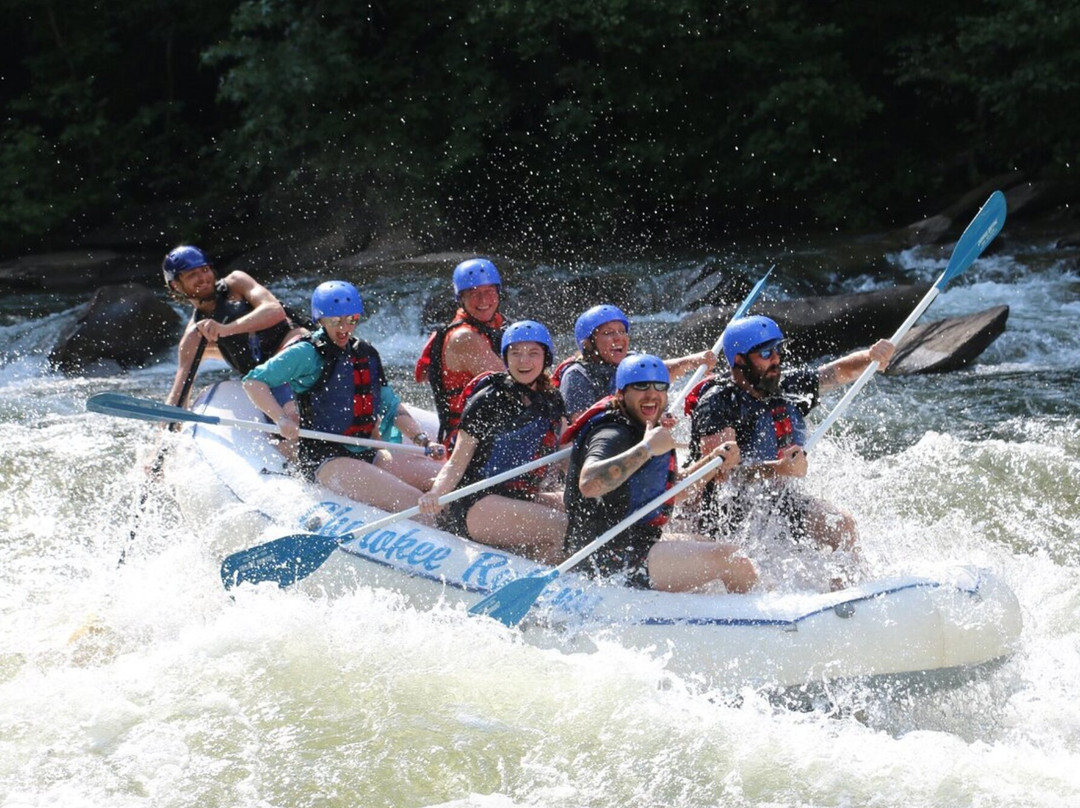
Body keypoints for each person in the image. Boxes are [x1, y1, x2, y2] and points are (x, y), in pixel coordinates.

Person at [684, 315, 895, 587]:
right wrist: (778, 469)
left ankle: (857, 593)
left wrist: (870, 358)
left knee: (841, 525)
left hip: (777, 504)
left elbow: (834, 373)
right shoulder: (718, 403)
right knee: (764, 576)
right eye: (765, 353)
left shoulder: (783, 386)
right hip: (725, 518)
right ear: (739, 361)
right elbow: (721, 475)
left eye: (777, 350)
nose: (776, 359)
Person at [243, 281, 446, 514]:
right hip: (326, 459)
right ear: (320, 320)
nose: (344, 329)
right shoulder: (306, 353)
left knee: (443, 483)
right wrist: (280, 418)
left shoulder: (365, 353)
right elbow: (253, 381)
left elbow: (390, 406)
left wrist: (423, 440)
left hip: (367, 451)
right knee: (413, 501)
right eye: (335, 321)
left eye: (351, 320)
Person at [562, 354, 756, 592]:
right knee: (732, 560)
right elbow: (589, 484)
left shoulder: (647, 428)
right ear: (621, 394)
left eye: (659, 387)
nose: (651, 394)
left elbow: (674, 491)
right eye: (641, 386)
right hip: (607, 558)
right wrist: (646, 449)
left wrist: (715, 460)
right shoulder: (612, 432)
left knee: (708, 543)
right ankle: (764, 627)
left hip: (634, 544)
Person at [418, 321, 567, 564]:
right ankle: (548, 587)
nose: (524, 361)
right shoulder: (488, 400)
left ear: (546, 358)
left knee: (581, 511)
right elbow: (457, 462)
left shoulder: (552, 399)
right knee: (560, 526)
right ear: (506, 358)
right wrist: (435, 494)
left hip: (521, 496)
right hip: (477, 502)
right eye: (515, 353)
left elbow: (563, 455)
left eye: (533, 353)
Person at [162, 245, 308, 408]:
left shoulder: (236, 283)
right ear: (176, 285)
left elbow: (275, 311)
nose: (203, 278)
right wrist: (167, 427)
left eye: (204, 270)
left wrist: (226, 329)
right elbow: (178, 395)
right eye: (192, 275)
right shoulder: (194, 336)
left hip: (299, 353)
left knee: (296, 343)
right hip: (265, 381)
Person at [556, 303, 718, 420]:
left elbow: (660, 371)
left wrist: (692, 361)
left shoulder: (632, 360)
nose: (618, 337)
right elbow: (581, 422)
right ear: (588, 344)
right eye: (608, 333)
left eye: (621, 331)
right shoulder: (576, 375)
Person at [415, 258, 507, 446]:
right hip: (467, 441)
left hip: (493, 429)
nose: (483, 300)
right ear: (460, 299)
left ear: (498, 293)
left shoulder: (499, 325)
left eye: (489, 291)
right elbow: (514, 386)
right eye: (474, 293)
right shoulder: (464, 337)